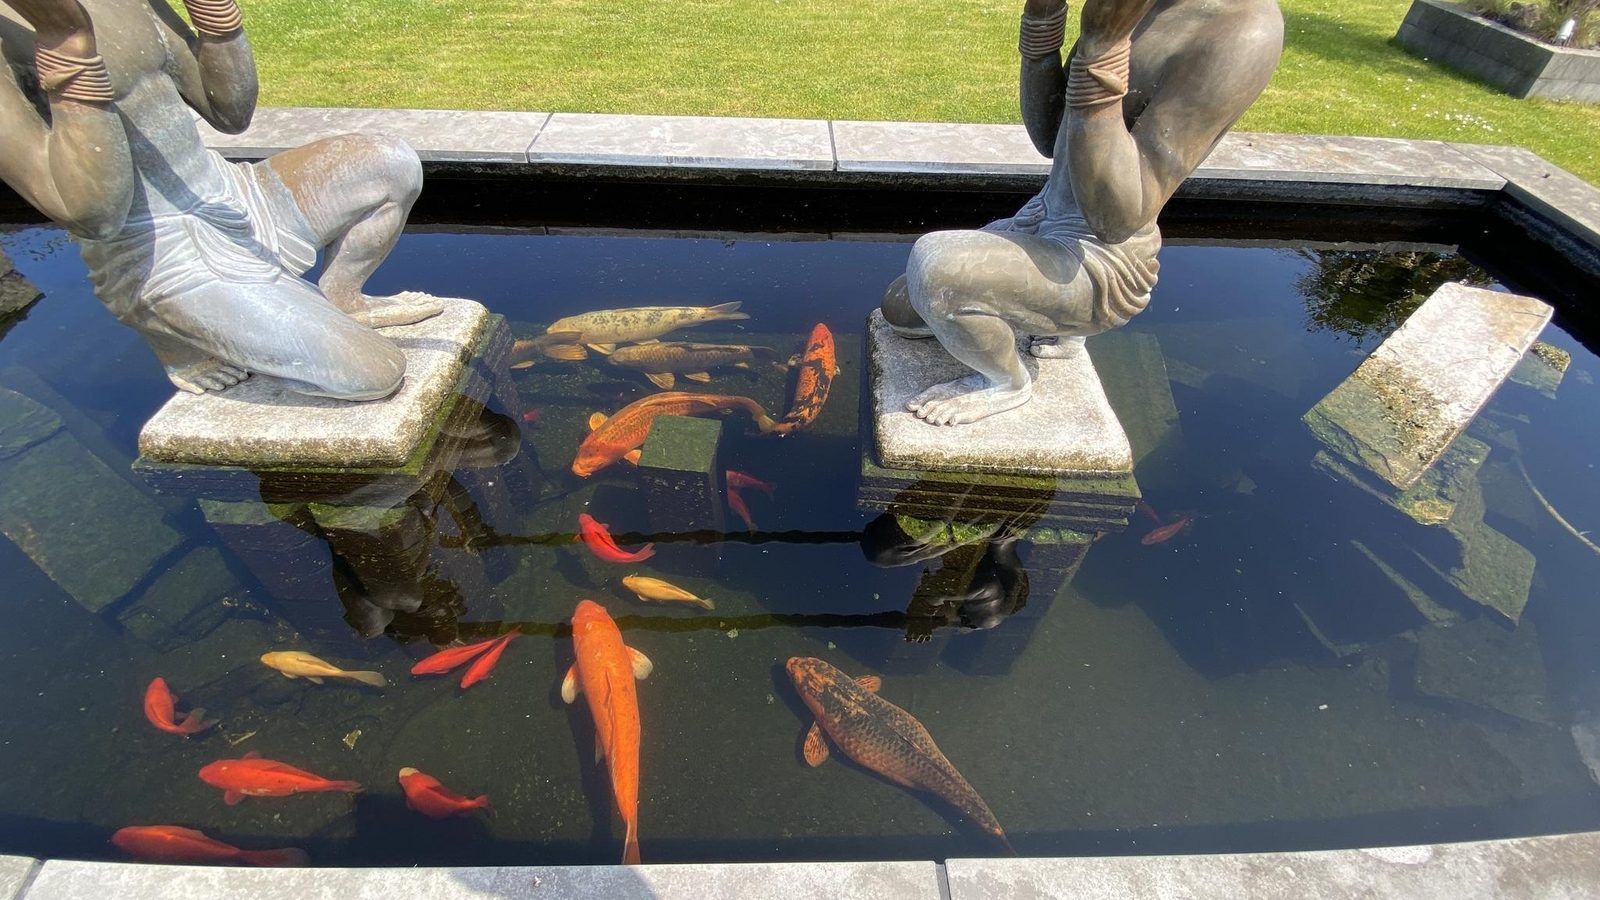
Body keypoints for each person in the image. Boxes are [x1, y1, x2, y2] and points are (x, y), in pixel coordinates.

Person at [0, 0, 441, 399]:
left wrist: (214, 13)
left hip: (231, 194)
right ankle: (176, 335)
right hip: (157, 254)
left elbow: (229, 113)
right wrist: (67, 42)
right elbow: (94, 215)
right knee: (375, 373)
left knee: (390, 161)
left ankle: (342, 295)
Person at [882, 0, 1283, 425]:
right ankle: (1059, 326)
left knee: (939, 269)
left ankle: (1006, 383)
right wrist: (1043, 19)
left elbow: (1117, 217)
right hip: (1042, 216)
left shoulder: (1243, 31)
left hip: (1099, 258)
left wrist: (1103, 46)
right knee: (901, 310)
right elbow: (1052, 135)